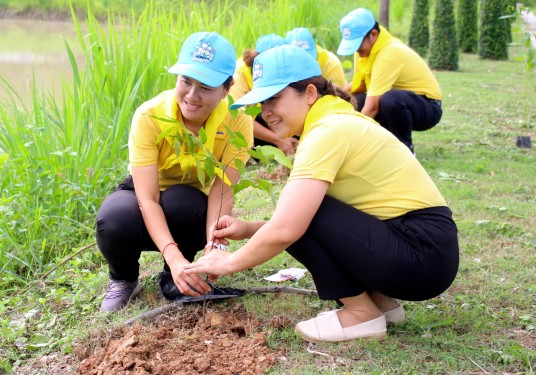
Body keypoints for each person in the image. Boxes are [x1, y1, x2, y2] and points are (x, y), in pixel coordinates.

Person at [184, 45, 459, 343]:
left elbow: (290, 227)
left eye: (275, 98)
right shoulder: (336, 121)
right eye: (262, 103)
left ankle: (360, 315)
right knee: (305, 210)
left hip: (420, 256)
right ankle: (380, 303)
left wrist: (228, 263)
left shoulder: (327, 132)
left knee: (302, 212)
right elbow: (331, 223)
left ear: (311, 94)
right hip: (425, 251)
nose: (267, 112)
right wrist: (249, 229)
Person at [95, 31, 253, 312]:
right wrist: (171, 252)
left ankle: (179, 274)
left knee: (183, 201)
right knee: (113, 219)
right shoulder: (150, 116)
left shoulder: (238, 124)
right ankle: (124, 279)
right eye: (186, 82)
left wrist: (214, 246)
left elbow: (221, 189)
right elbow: (148, 199)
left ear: (227, 88)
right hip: (147, 193)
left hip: (192, 202)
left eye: (206, 87)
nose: (192, 96)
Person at [337, 8, 443, 154]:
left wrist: (351, 140)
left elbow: (372, 107)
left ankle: (405, 149)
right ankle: (380, 145)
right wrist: (334, 95)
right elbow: (359, 86)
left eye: (358, 45)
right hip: (400, 100)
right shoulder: (363, 51)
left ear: (373, 35)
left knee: (389, 100)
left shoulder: (390, 52)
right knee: (355, 102)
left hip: (427, 107)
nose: (356, 51)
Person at [231, 33, 299, 155]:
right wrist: (278, 140)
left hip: (258, 113)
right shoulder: (237, 76)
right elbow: (238, 119)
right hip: (235, 125)